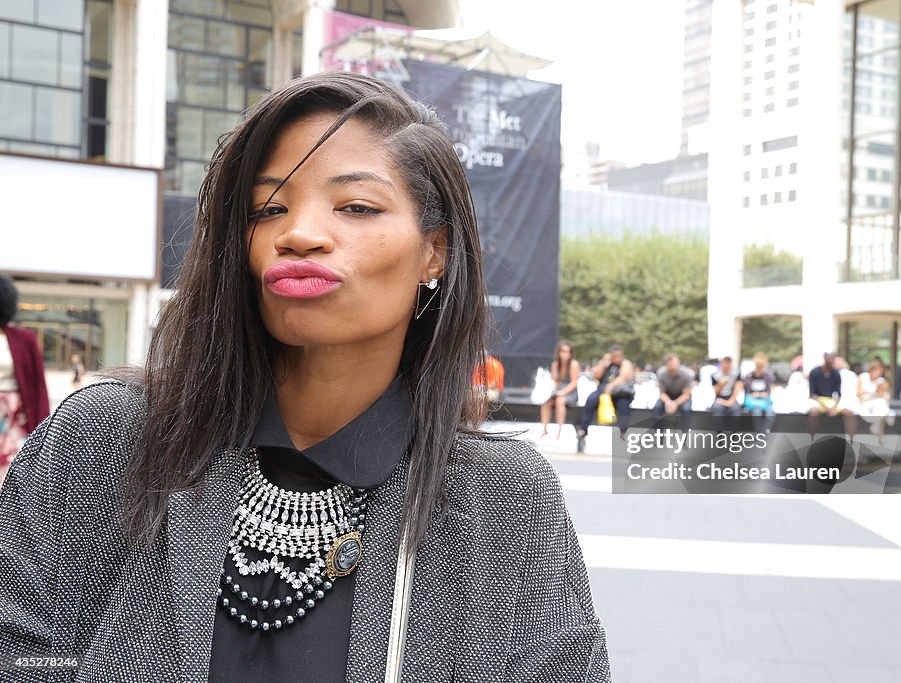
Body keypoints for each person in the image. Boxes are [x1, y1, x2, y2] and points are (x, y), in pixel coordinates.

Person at [0, 73, 610, 681]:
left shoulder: (504, 501)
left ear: (435, 251)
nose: (299, 234)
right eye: (269, 209)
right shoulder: (103, 441)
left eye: (356, 207)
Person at [0, 274, 49, 479]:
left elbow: (38, 384)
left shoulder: (24, 339)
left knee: (12, 469)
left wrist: (44, 426)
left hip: (16, 416)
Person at [577, 344, 634, 452]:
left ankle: (622, 432)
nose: (617, 358)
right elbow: (596, 376)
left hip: (620, 393)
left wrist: (611, 386)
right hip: (604, 392)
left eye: (619, 356)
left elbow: (623, 377)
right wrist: (603, 363)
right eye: (615, 356)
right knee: (591, 400)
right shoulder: (606, 363)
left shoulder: (625, 364)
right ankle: (583, 429)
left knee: (623, 405)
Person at [540, 341, 580, 439]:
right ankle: (545, 429)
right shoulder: (555, 364)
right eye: (563, 351)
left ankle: (560, 431)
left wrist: (562, 392)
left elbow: (574, 383)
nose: (565, 354)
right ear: (559, 352)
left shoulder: (574, 364)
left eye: (567, 351)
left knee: (560, 401)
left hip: (570, 392)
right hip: (559, 391)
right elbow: (555, 381)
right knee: (546, 403)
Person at [856, 357, 891, 443]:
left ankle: (878, 433)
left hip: (877, 404)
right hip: (864, 404)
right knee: (882, 406)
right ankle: (879, 435)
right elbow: (859, 393)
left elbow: (883, 394)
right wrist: (870, 394)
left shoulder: (881, 381)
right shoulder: (863, 377)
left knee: (882, 405)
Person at [741, 352, 775, 431]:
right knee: (757, 412)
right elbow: (747, 391)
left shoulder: (768, 376)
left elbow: (769, 390)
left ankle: (765, 433)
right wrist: (753, 394)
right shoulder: (749, 376)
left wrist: (763, 394)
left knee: (770, 412)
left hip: (764, 400)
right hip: (753, 401)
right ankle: (758, 433)